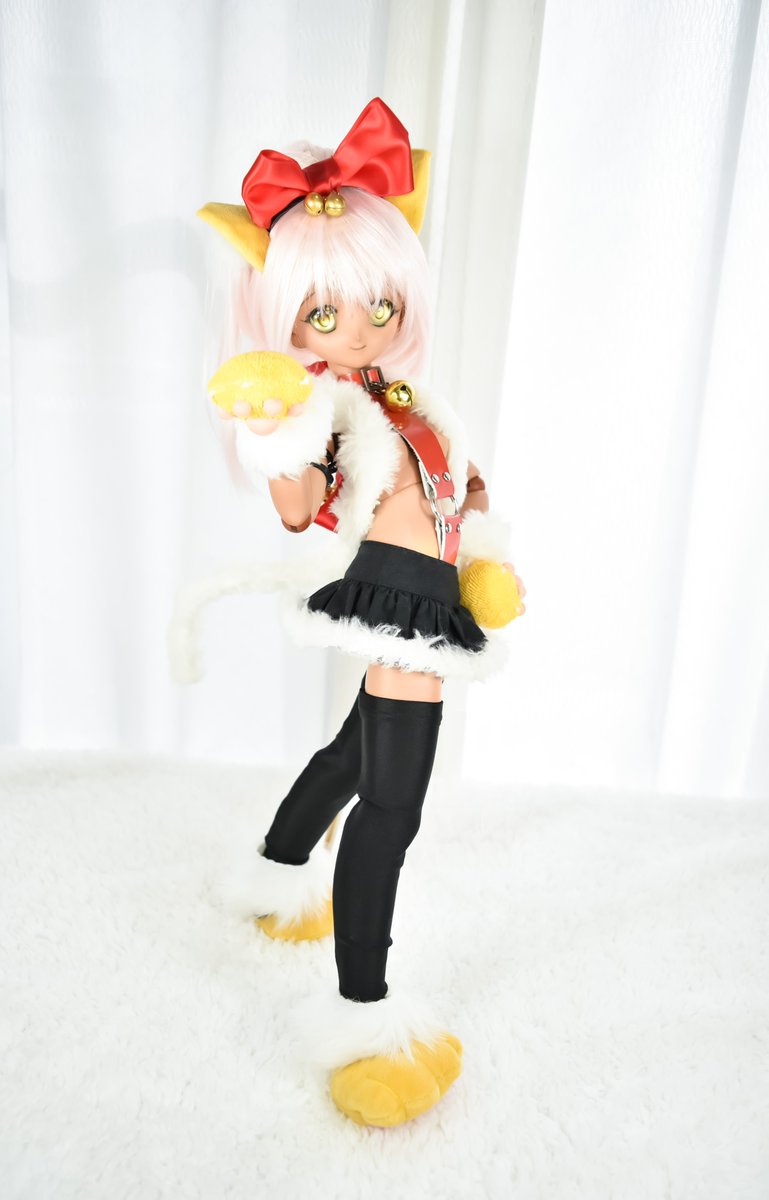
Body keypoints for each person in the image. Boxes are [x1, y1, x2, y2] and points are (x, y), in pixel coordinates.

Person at [195, 97, 525, 1127]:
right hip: (391, 596)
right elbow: (297, 504)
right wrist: (268, 423)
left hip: (432, 589)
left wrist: (485, 562)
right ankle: (361, 1019)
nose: (358, 328)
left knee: (354, 755)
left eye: (377, 304)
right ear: (284, 320)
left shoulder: (410, 398)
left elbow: (461, 493)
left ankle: (277, 872)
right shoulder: (323, 402)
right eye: (322, 314)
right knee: (393, 808)